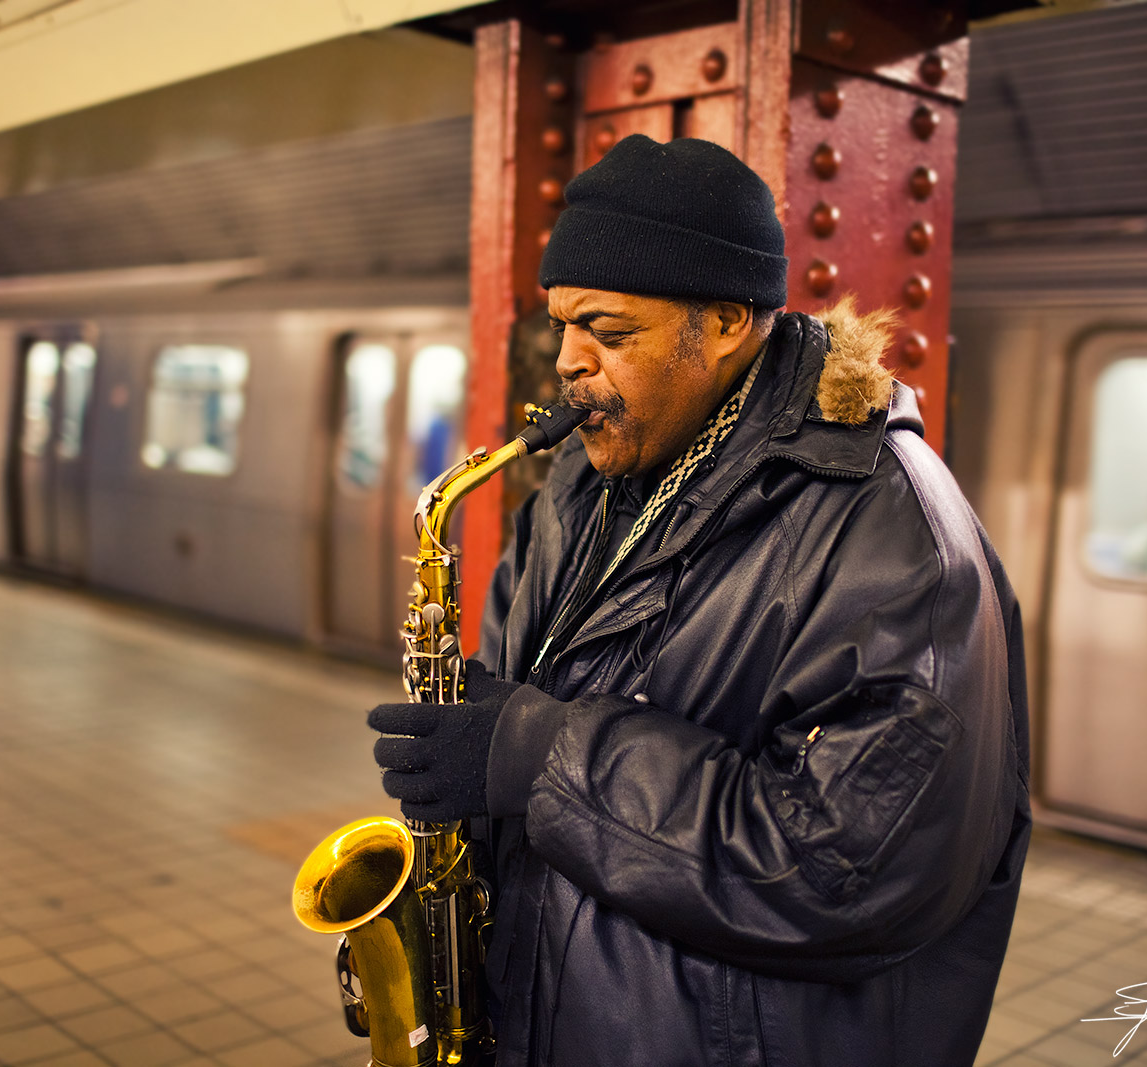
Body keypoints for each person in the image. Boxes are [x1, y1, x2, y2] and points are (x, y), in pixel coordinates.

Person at [369, 135, 1030, 1067]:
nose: (567, 361)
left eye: (609, 330)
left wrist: (538, 753)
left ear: (725, 322)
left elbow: (851, 870)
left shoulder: (891, 531)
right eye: (562, 325)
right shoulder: (579, 487)